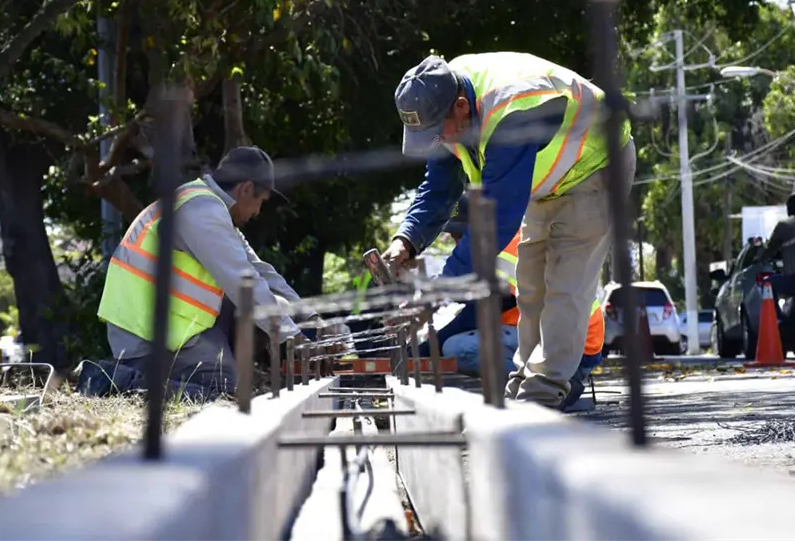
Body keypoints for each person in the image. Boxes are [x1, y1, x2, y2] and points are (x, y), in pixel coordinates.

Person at [382, 52, 635, 409]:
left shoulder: (510, 111)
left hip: (597, 167)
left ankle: (544, 394)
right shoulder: (445, 103)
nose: (437, 142)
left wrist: (434, 294)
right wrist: (405, 240)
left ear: (460, 107)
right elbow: (439, 188)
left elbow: (493, 223)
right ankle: (524, 385)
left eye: (437, 133)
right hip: (550, 183)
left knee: (564, 284)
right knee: (531, 286)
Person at [87, 146, 337, 400]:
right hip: (144, 335)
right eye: (260, 201)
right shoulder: (203, 212)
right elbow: (244, 282)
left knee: (270, 309)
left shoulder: (207, 206)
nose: (257, 212)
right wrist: (293, 338)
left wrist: (310, 318)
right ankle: (115, 379)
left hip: (170, 323)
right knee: (222, 391)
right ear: (246, 189)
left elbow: (261, 271)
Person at [431, 195, 605, 411]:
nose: (458, 244)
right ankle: (545, 386)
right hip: (578, 341)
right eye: (454, 236)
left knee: (456, 348)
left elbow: (476, 315)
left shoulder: (499, 252)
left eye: (461, 236)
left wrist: (426, 349)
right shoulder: (505, 240)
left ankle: (555, 389)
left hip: (576, 348)